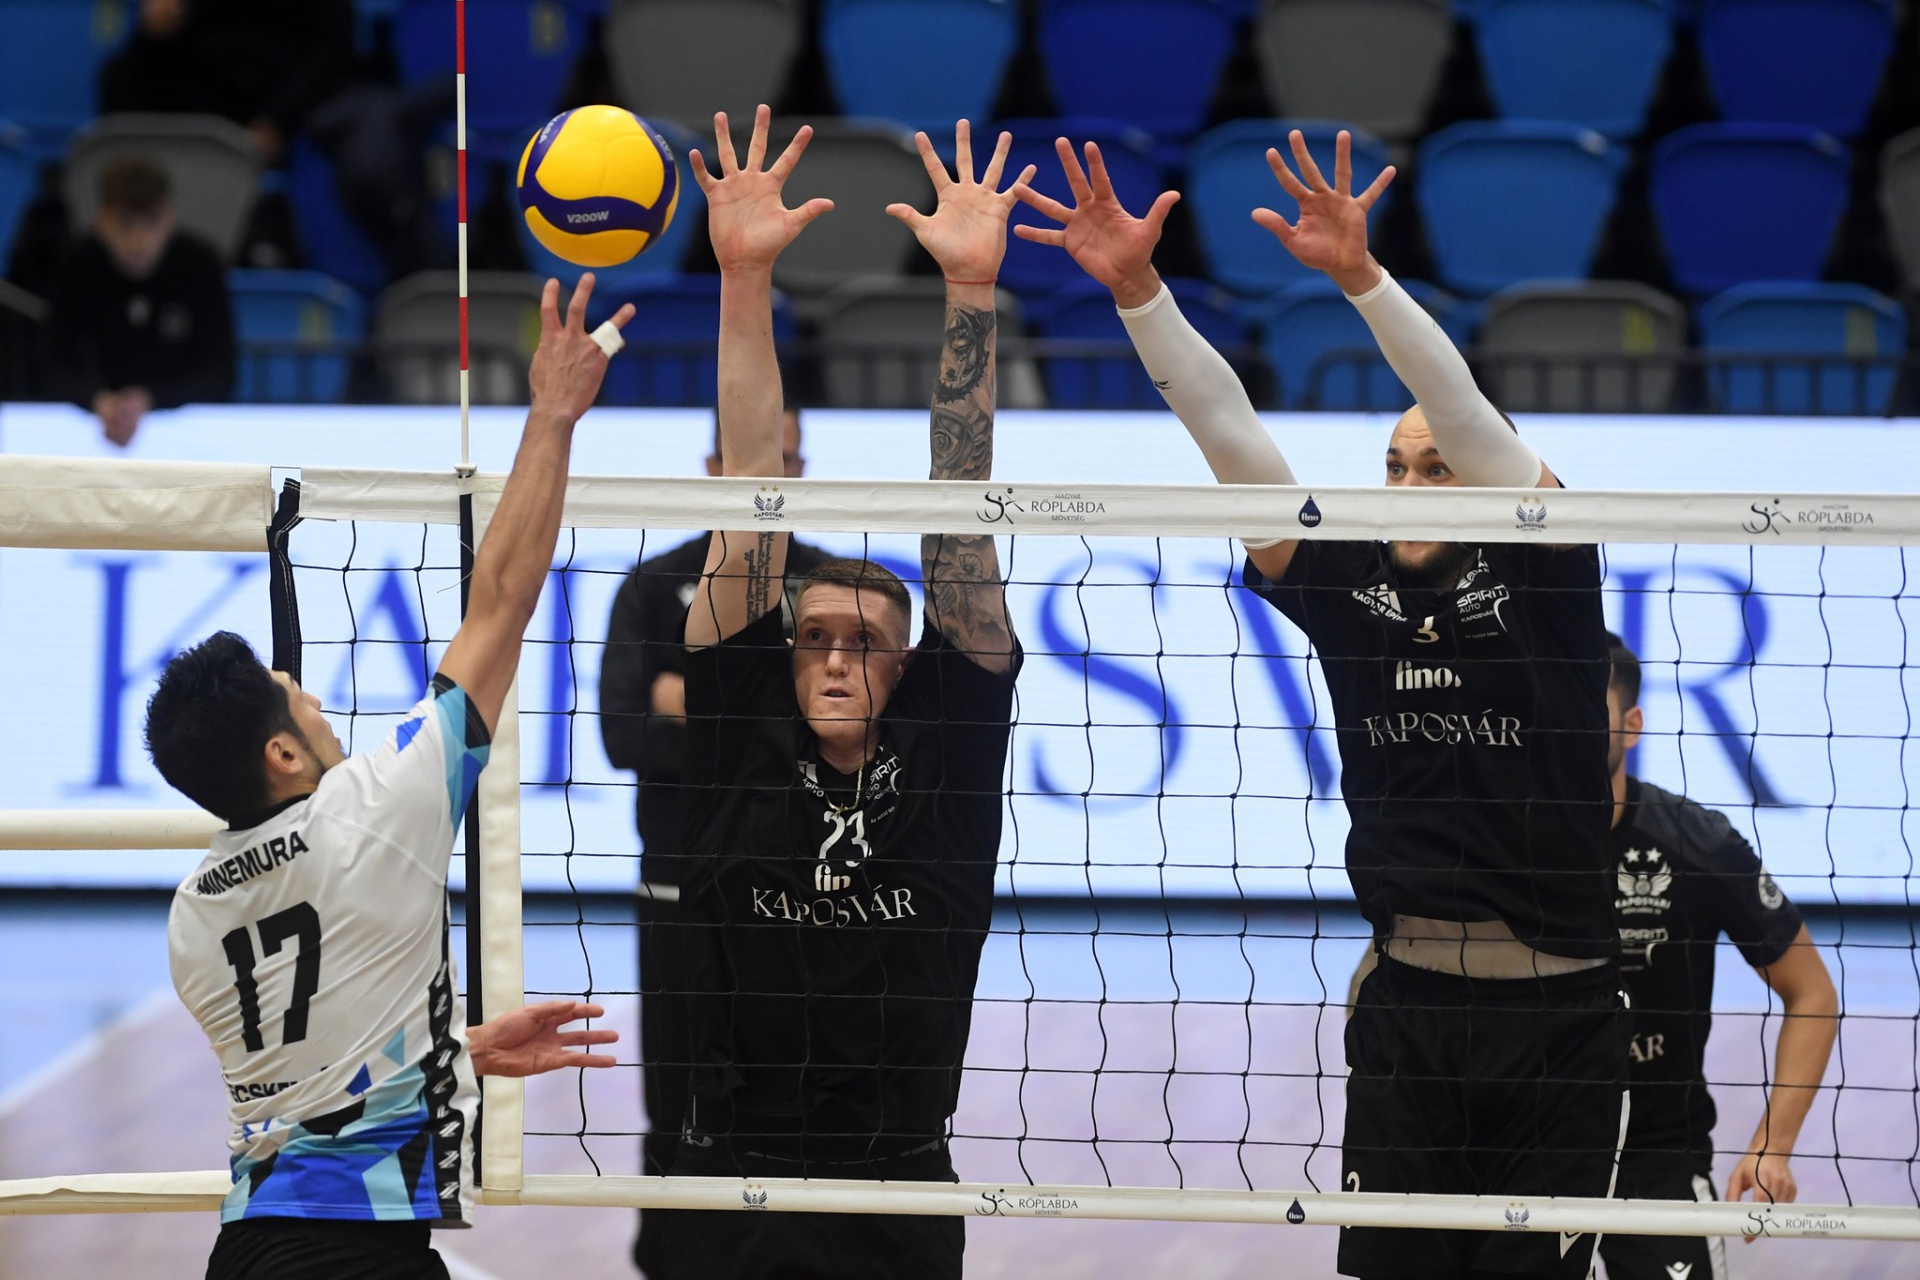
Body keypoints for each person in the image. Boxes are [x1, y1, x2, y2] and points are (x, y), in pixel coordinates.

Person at [1016, 130, 1623, 1279]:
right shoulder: (1351, 584)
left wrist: (1362, 278)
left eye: (1435, 467)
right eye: (1395, 466)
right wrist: (1141, 294)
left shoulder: (1546, 570)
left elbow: (1463, 408)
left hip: (1559, 1018)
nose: (1410, 482)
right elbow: (1232, 436)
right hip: (1408, 1012)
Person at [146, 272, 631, 1280]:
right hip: (354, 1256)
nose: (318, 701)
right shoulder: (377, 808)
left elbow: (316, 1074)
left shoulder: (192, 916)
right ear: (283, 754)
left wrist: (458, 1048)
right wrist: (552, 415)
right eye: (298, 700)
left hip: (249, 1250)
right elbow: (502, 601)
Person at [669, 107, 1029, 1280]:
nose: (833, 658)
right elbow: (752, 487)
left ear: (907, 666)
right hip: (742, 1178)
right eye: (813, 637)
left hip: (901, 1179)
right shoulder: (744, 735)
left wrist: (970, 292)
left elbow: (961, 504)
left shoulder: (949, 754)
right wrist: (743, 279)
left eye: (864, 644)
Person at [598, 408, 829, 1279]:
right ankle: (672, 1264)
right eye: (752, 456)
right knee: (679, 1092)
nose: (771, 472)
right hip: (678, 882)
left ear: (801, 470)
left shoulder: (828, 588)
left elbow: (841, 737)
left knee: (800, 1086)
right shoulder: (654, 585)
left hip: (803, 883)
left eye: (784, 458)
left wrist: (689, 698)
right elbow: (623, 734)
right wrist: (768, 717)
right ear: (712, 466)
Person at [1596, 634, 1837, 1280]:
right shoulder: (1495, 846)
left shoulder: (1695, 843)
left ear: (1632, 725)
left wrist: (1771, 1148)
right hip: (1525, 1159)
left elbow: (1812, 992)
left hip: (1659, 1161)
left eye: (1589, 711)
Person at [46, 156, 234, 447]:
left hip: (184, 433)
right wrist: (96, 399)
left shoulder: (199, 264)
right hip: (86, 432)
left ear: (169, 219)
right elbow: (53, 360)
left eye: (151, 221)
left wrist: (151, 399)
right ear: (102, 221)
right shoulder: (77, 265)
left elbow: (220, 371)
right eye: (125, 222)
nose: (138, 238)